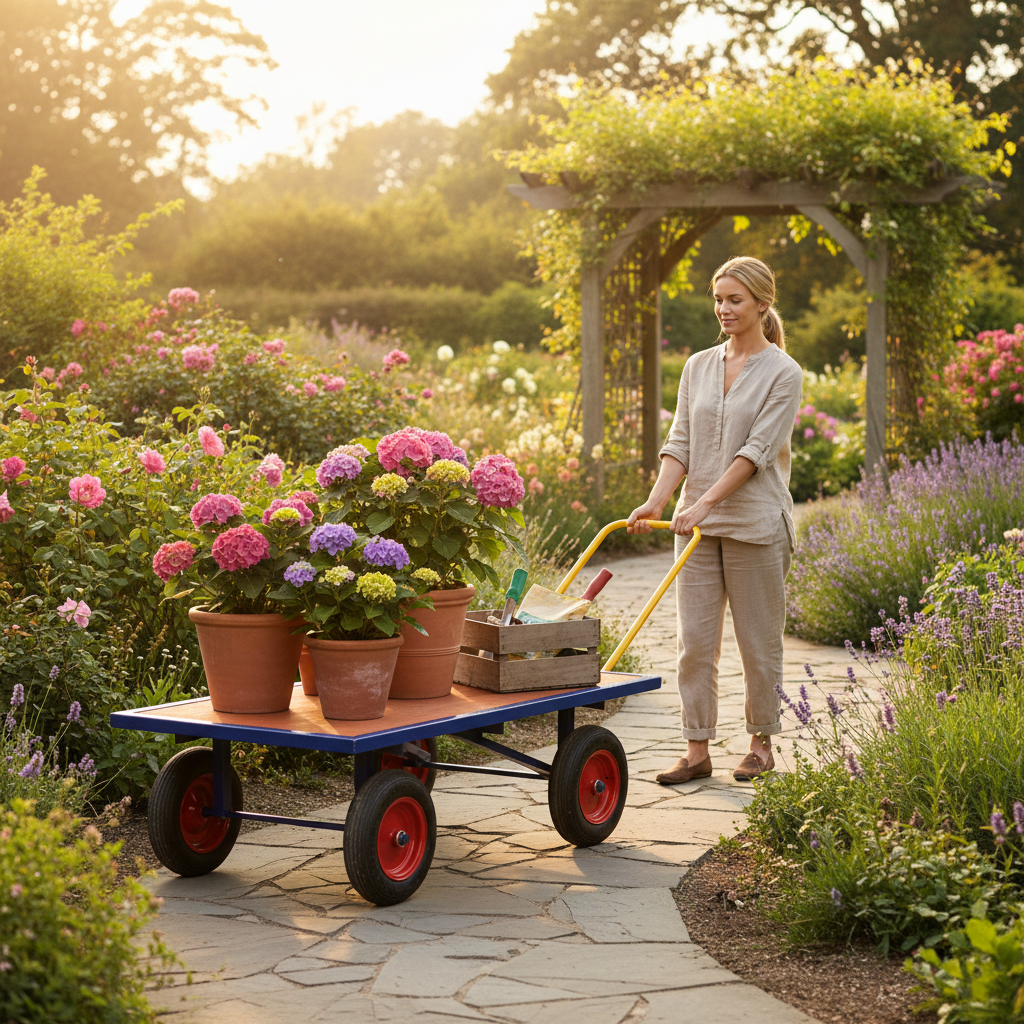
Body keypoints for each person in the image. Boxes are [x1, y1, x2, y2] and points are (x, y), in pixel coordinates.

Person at [626, 256, 802, 784]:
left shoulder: (783, 372)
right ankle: (696, 750)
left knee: (758, 642)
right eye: (718, 299)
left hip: (755, 525)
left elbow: (757, 450)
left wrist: (706, 502)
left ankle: (760, 744)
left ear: (762, 304)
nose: (723, 309)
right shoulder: (698, 365)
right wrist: (659, 500)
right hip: (696, 529)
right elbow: (680, 442)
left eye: (735, 300)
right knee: (694, 643)